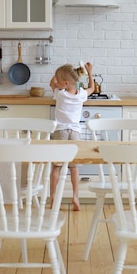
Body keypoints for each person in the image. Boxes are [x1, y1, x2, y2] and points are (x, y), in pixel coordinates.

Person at [49, 62, 95, 211]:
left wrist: (56, 76)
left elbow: (52, 83)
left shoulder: (60, 94)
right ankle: (76, 196)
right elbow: (92, 89)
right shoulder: (81, 94)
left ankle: (54, 196)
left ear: (66, 83)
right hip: (75, 133)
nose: (56, 81)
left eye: (59, 79)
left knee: (56, 167)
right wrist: (89, 72)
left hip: (60, 131)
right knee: (74, 168)